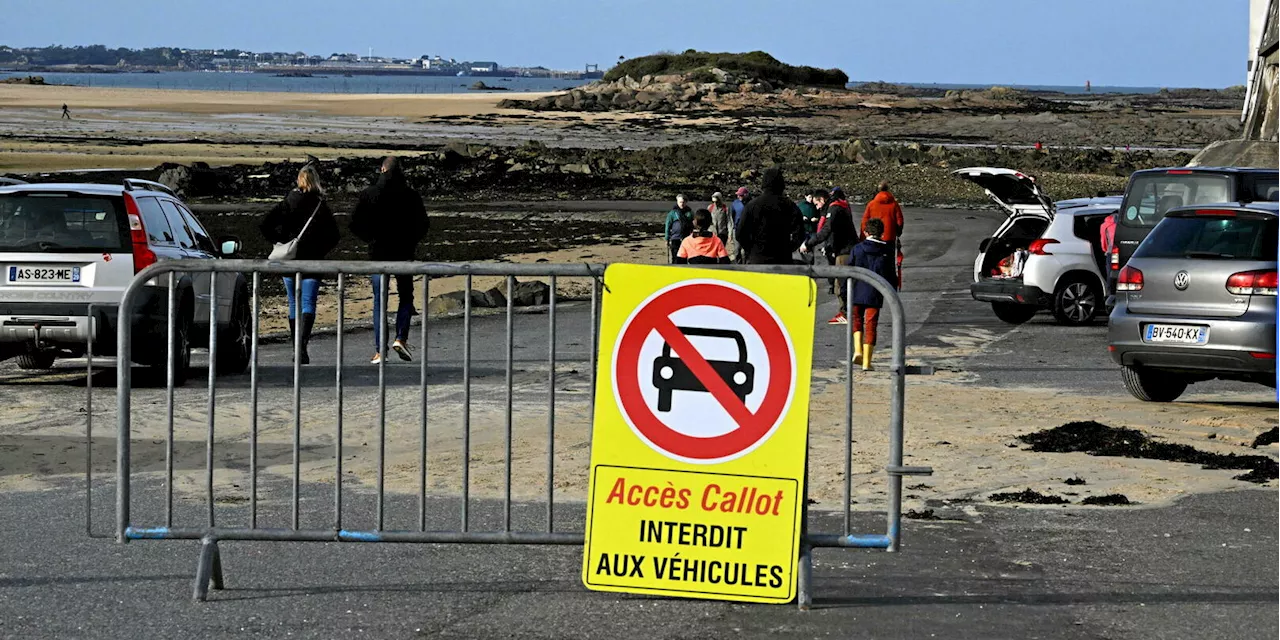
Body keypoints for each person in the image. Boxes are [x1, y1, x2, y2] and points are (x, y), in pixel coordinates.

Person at [350, 156, 429, 364]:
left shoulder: (369, 194)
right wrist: (411, 240)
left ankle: (379, 350)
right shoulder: (411, 196)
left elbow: (355, 224)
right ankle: (401, 337)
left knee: (379, 302)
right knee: (406, 296)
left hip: (378, 254)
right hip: (403, 253)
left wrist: (370, 238)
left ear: (382, 169)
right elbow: (423, 224)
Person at [260, 165, 339, 365]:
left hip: (289, 260)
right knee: (308, 303)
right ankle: (302, 347)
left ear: (299, 180)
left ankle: (297, 346)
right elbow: (334, 235)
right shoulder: (321, 205)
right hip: (313, 260)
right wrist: (319, 249)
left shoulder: (288, 202)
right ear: (316, 182)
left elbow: (265, 225)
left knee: (294, 303)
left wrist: (280, 240)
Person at [849, 218, 900, 371]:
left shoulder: (857, 249)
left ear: (865, 232)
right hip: (876, 291)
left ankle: (857, 349)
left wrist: (845, 291)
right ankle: (866, 361)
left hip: (857, 288)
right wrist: (892, 291)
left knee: (856, 319)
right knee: (871, 324)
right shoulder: (887, 251)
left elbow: (849, 270)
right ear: (882, 233)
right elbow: (891, 274)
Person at [800, 188, 857, 324]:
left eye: (816, 204)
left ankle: (847, 314)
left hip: (844, 250)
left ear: (822, 199)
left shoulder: (834, 209)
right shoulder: (836, 208)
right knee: (841, 283)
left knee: (842, 284)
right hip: (842, 248)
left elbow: (827, 230)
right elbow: (834, 232)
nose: (816, 207)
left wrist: (808, 244)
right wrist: (828, 247)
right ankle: (847, 312)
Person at [736, 167, 805, 265]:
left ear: (763, 184)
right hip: (782, 259)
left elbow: (740, 233)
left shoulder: (752, 205)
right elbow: (800, 233)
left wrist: (752, 249)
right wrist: (788, 248)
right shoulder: (790, 206)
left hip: (757, 258)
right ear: (781, 184)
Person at [861, 181, 906, 287]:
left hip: (875, 236)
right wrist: (898, 232)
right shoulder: (894, 204)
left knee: (875, 259)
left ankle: (877, 282)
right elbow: (899, 220)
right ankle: (891, 283)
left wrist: (863, 236)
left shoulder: (872, 204)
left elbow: (865, 220)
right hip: (889, 237)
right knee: (890, 261)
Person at [664, 194, 693, 264]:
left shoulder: (690, 213)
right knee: (675, 257)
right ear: (677, 202)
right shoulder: (672, 213)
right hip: (675, 238)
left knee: (684, 257)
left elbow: (693, 226)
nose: (682, 204)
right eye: (680, 202)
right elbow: (667, 226)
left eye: (683, 202)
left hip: (686, 239)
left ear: (686, 202)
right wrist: (667, 239)